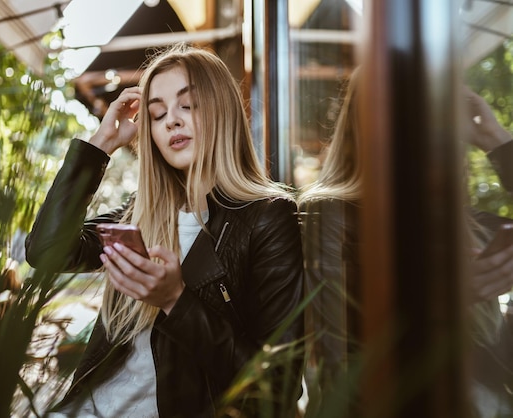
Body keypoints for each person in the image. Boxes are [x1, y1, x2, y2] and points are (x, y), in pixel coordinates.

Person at [25, 44, 305, 417]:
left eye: (187, 106)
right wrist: (101, 144)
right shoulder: (140, 213)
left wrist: (176, 300)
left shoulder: (267, 219)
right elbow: (45, 251)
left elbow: (278, 387)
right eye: (157, 114)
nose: (171, 120)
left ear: (222, 110)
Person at [298, 70, 513, 416]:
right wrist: (442, 303)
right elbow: (342, 372)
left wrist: (495, 139)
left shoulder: (465, 223)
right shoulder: (331, 214)